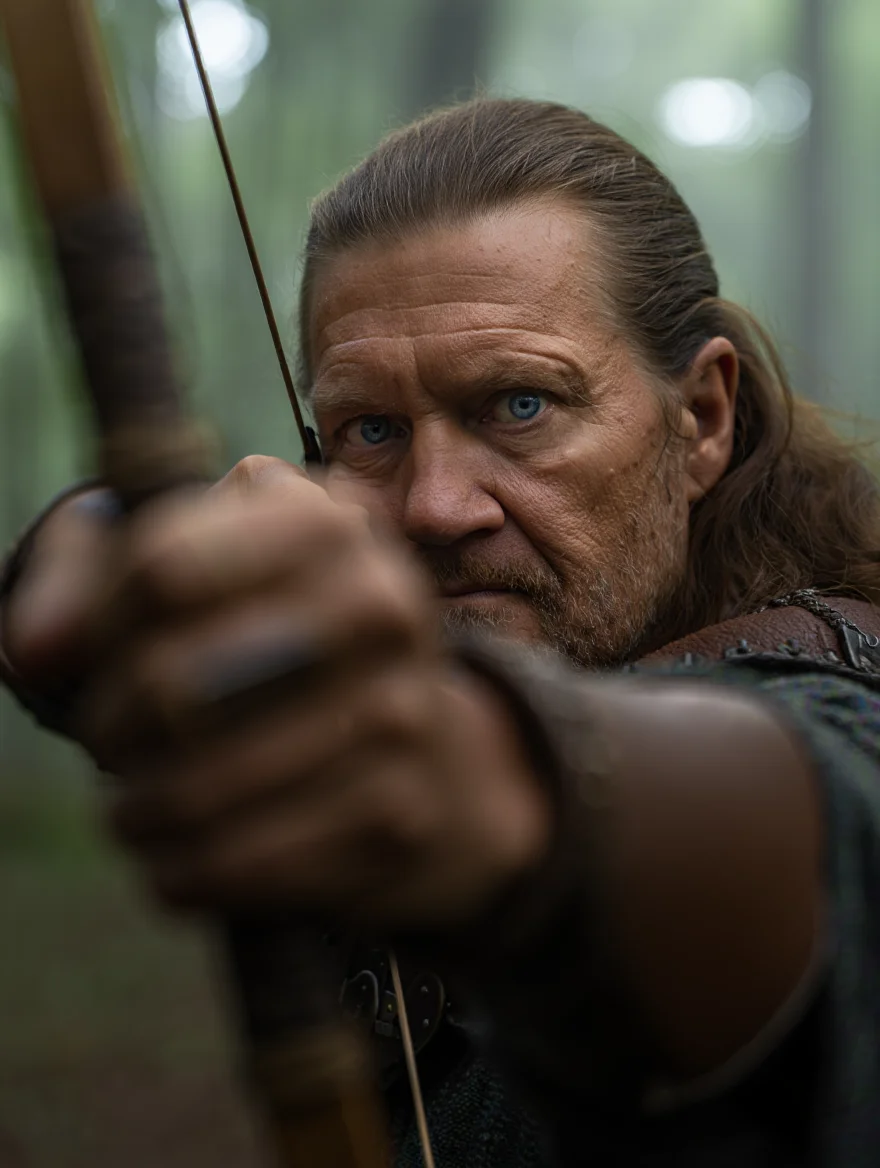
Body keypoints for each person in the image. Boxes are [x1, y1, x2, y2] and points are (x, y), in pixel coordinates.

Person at [2, 98, 880, 1168]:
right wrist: (87, 551)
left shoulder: (838, 667)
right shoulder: (366, 652)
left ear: (699, 418)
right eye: (370, 430)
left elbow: (827, 821)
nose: (434, 506)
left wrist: (509, 789)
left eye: (518, 405)